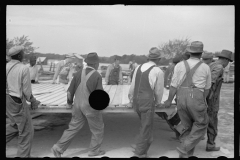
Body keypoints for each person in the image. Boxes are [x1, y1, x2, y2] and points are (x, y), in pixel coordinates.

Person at [51, 52, 105, 157]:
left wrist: (69, 103)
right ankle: (94, 151)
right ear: (95, 64)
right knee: (98, 128)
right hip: (90, 106)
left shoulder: (77, 73)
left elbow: (69, 92)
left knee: (73, 127)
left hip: (77, 106)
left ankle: (58, 148)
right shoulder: (97, 75)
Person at [163, 41, 212, 158]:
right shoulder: (205, 67)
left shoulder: (179, 65)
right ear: (201, 54)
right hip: (197, 95)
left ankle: (185, 155)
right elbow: (207, 89)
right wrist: (200, 100)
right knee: (201, 124)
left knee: (186, 127)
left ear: (190, 53)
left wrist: (169, 100)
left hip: (180, 95)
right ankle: (184, 148)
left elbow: (173, 85)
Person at [128, 47, 164, 158]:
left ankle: (143, 148)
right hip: (147, 101)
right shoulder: (158, 71)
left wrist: (130, 100)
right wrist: (158, 102)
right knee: (146, 127)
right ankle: (139, 153)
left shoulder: (138, 67)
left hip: (136, 100)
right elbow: (158, 90)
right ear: (158, 59)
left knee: (145, 125)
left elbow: (132, 86)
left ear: (148, 58)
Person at [6, 46, 41, 157]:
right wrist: (33, 101)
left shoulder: (6, 66)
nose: (25, 55)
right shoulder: (23, 68)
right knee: (26, 132)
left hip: (7, 100)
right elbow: (26, 91)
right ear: (20, 55)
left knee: (14, 125)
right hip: (17, 102)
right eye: (23, 53)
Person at [206, 50, 233, 152]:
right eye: (228, 61)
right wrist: (209, 99)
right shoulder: (219, 67)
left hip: (207, 97)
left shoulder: (211, 65)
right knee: (212, 121)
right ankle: (210, 144)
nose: (228, 64)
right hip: (212, 99)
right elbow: (211, 83)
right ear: (225, 60)